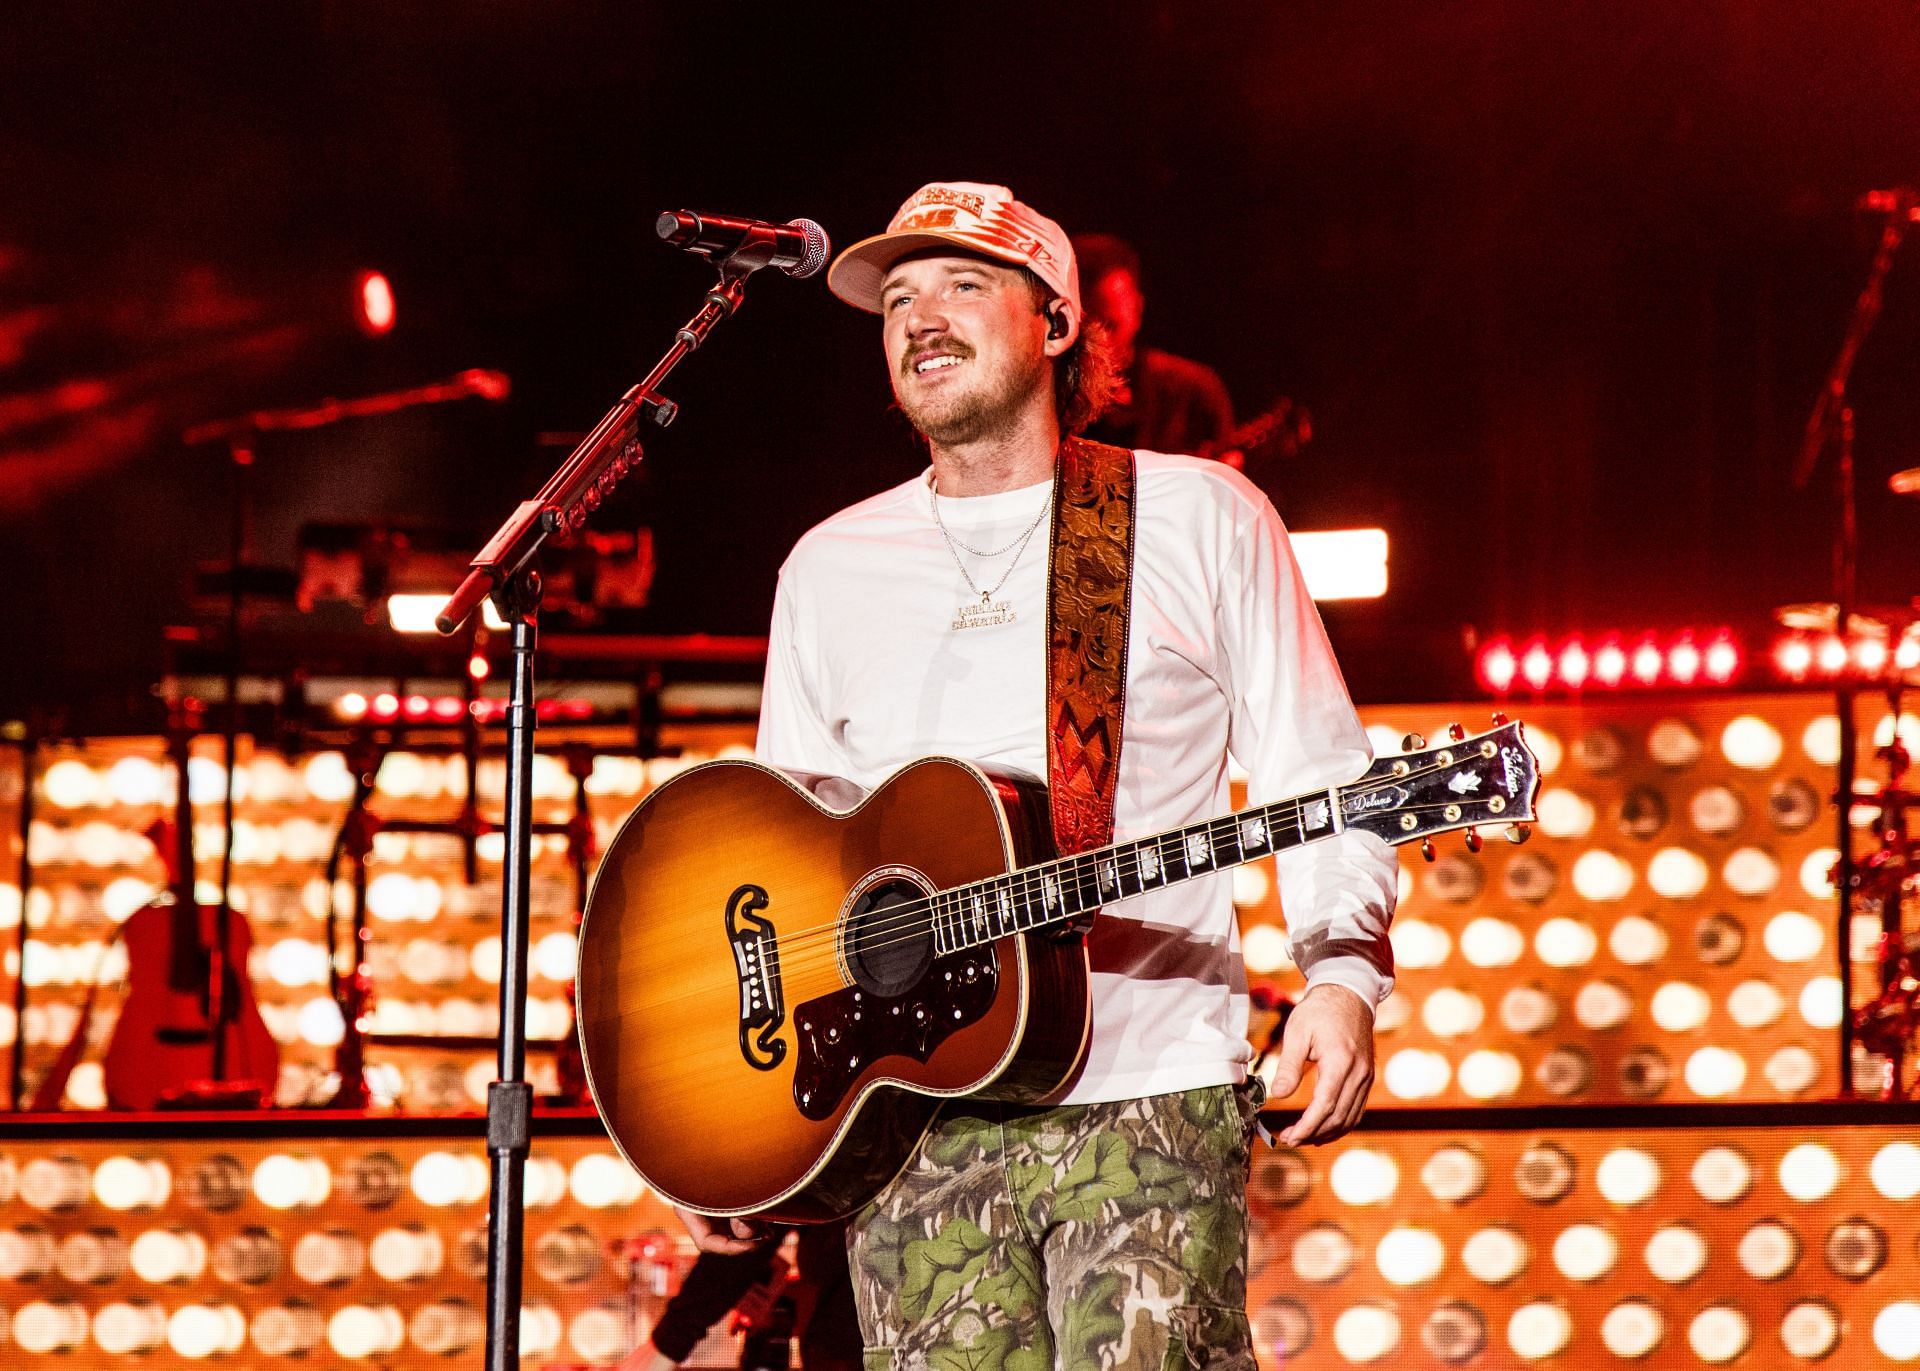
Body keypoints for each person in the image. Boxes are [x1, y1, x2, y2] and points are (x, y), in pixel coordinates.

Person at [676, 182, 1396, 1369]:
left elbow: (1322, 768)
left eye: (963, 283)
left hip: (1147, 1091)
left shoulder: (1198, 517)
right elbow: (784, 858)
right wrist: (737, 1126)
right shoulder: (828, 566)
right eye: (897, 298)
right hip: (914, 1125)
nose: (920, 317)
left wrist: (1342, 971)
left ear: (1058, 325)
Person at [1075, 232, 1237, 459]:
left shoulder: (1195, 393)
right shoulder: (1042, 402)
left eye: (1111, 326)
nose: (1100, 343)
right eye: (1085, 329)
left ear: (1138, 310)